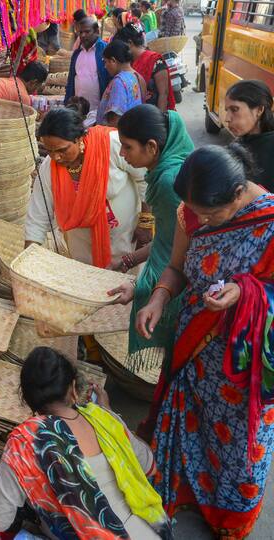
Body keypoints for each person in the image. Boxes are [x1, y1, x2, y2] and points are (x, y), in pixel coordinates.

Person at [135, 144, 274, 538]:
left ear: (237, 194)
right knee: (189, 424)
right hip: (194, 349)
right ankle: (184, 495)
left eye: (211, 214)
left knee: (240, 449)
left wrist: (245, 293)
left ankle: (231, 519)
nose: (201, 220)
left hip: (244, 363)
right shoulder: (190, 213)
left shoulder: (269, 222)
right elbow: (177, 268)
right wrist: (159, 297)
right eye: (195, 212)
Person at [0, 347, 172, 540]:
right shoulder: (104, 418)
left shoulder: (26, 440)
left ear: (29, 400)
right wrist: (110, 413)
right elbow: (148, 466)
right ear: (73, 388)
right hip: (151, 532)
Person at [107, 105, 194, 378]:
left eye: (128, 147)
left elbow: (177, 250)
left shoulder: (169, 182)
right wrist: (131, 261)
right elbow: (168, 239)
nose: (122, 154)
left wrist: (144, 287)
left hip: (180, 287)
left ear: (152, 147)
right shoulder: (165, 172)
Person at [25, 108, 147, 268]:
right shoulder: (49, 168)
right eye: (50, 150)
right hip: (83, 253)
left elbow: (145, 178)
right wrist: (27, 262)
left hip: (128, 241)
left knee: (130, 286)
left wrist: (146, 222)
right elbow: (38, 217)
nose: (56, 157)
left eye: (62, 150)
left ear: (80, 139)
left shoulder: (111, 144)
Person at [225, 80, 274, 190]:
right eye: (227, 110)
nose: (227, 118)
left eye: (234, 109)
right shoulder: (237, 146)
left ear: (259, 110)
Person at [116, 23, 175, 112]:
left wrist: (159, 120)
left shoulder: (155, 61)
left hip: (152, 116)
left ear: (130, 43)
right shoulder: (129, 62)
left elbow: (164, 94)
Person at [64, 18, 112, 127]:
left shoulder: (104, 50)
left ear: (96, 32)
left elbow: (109, 79)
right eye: (80, 32)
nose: (83, 35)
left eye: (87, 31)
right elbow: (71, 80)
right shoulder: (77, 53)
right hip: (79, 111)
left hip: (98, 112)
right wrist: (67, 104)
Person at [97, 40, 145, 126]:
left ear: (113, 60)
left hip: (117, 134)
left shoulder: (119, 82)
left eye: (105, 61)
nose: (105, 66)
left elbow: (115, 119)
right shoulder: (135, 76)